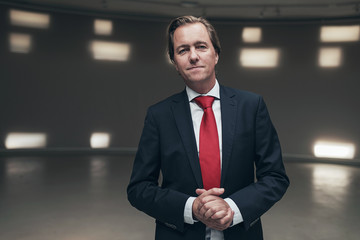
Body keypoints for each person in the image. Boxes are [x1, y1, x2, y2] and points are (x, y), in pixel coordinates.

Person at [127, 15, 289, 240]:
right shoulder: (159, 116)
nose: (193, 56)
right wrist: (191, 208)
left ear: (216, 54)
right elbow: (139, 189)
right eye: (182, 50)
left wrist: (232, 208)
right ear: (174, 62)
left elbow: (275, 177)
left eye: (201, 46)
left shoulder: (251, 106)